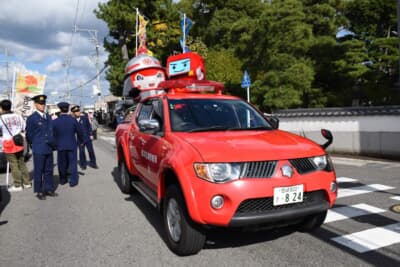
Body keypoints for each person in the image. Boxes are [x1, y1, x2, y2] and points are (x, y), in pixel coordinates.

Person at [26, 94, 56, 200]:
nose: (42, 105)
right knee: (38, 170)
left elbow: (51, 131)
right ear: (35, 104)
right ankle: (39, 191)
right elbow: (29, 135)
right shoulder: (32, 118)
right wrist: (35, 144)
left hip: (48, 147)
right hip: (39, 148)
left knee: (48, 170)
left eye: (43, 103)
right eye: (40, 103)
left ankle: (48, 188)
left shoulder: (48, 116)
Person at [0, 99, 31, 192]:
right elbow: (23, 127)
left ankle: (17, 184)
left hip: (9, 144)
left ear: (1, 108)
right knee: (21, 163)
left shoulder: (1, 118)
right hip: (18, 142)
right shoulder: (18, 116)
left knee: (13, 165)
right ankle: (27, 183)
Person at [53, 102, 83, 187]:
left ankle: (63, 179)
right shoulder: (73, 120)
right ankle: (73, 181)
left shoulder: (55, 122)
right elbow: (79, 132)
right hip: (72, 145)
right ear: (68, 109)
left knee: (62, 163)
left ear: (60, 109)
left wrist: (55, 145)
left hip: (60, 145)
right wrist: (81, 141)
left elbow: (53, 135)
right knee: (73, 163)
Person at [71, 105, 98, 169]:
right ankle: (83, 165)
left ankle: (93, 163)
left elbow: (89, 127)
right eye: (76, 111)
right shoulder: (72, 120)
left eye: (78, 111)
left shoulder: (84, 118)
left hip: (87, 138)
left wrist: (91, 134)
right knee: (81, 153)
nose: (78, 112)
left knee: (91, 151)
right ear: (73, 113)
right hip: (79, 139)